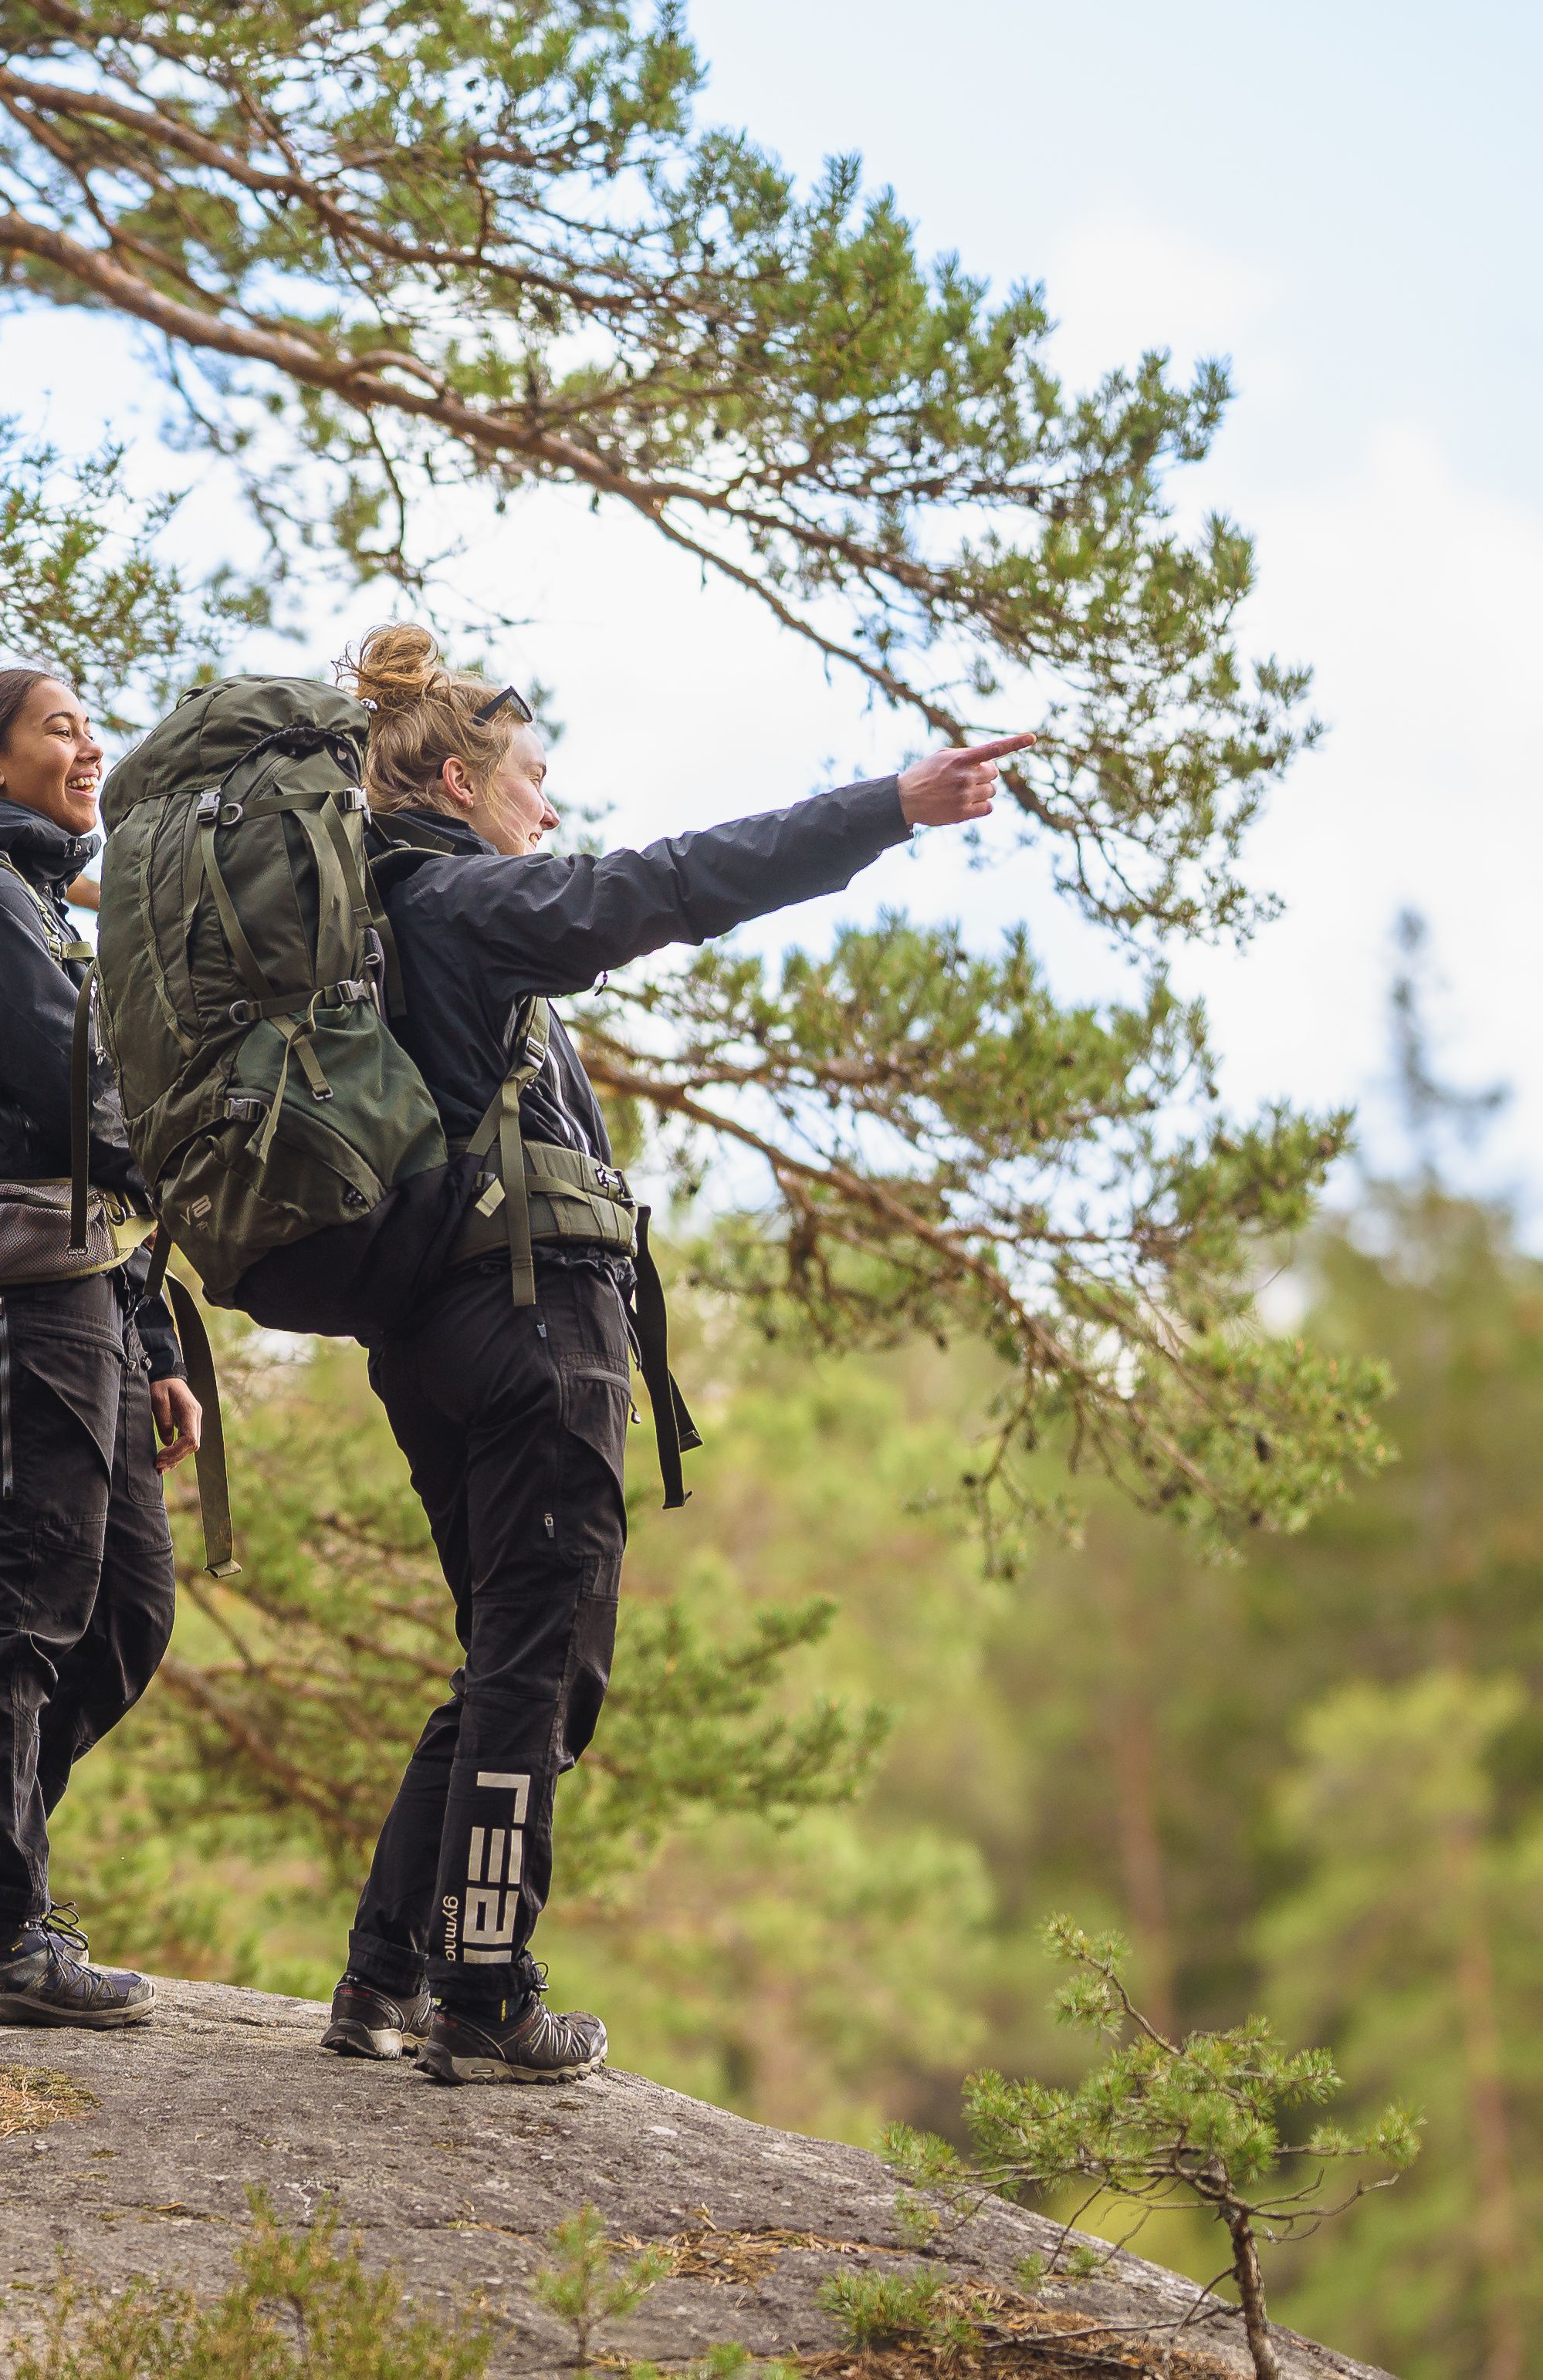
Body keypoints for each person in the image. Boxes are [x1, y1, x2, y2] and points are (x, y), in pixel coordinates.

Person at [329, 624, 1027, 2083]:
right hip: (528, 1328)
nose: (553, 809)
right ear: (457, 780)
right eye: (535, 777)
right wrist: (884, 810)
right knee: (542, 1669)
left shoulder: (361, 924)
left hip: (427, 1332)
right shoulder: (460, 902)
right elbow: (662, 886)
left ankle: (385, 1972)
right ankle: (481, 1985)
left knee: (498, 1654)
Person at [0, 666, 205, 2030]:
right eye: (60, 729)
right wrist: (217, 1154)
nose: (89, 749)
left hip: (85, 1290)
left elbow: (92, 1160)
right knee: (19, 1606)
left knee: (125, 1613)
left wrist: (159, 1334)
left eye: (88, 726)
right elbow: (84, 1109)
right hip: (11, 1285)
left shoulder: (29, 902)